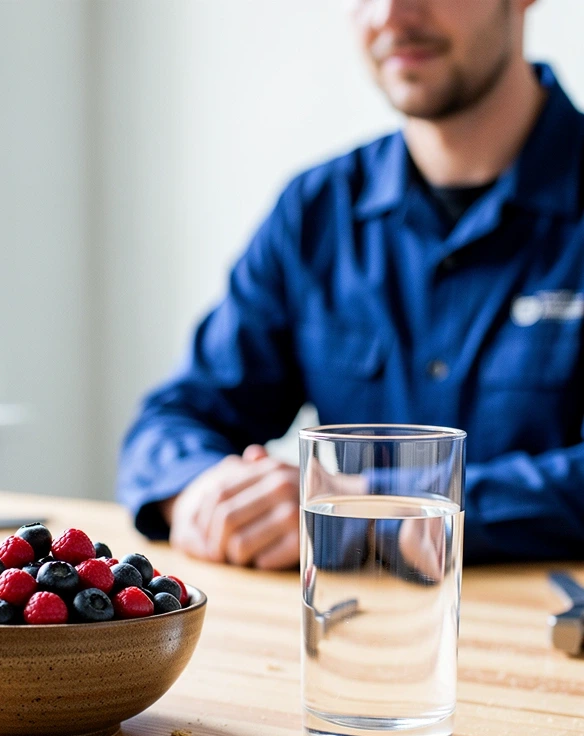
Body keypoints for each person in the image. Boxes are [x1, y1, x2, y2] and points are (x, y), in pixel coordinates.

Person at [118, 0, 584, 571]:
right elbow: (175, 420)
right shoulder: (315, 212)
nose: (390, 13)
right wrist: (209, 496)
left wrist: (365, 511)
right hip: (339, 633)